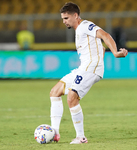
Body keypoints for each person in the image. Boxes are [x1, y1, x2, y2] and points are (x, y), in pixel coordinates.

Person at [50, 2, 128, 144]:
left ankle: (81, 137)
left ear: (75, 15)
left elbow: (105, 35)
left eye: (66, 18)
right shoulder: (80, 31)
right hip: (84, 68)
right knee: (54, 92)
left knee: (72, 97)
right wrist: (101, 56)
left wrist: (116, 53)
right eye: (63, 18)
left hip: (90, 68)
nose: (64, 21)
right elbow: (101, 47)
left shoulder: (85, 25)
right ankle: (54, 133)